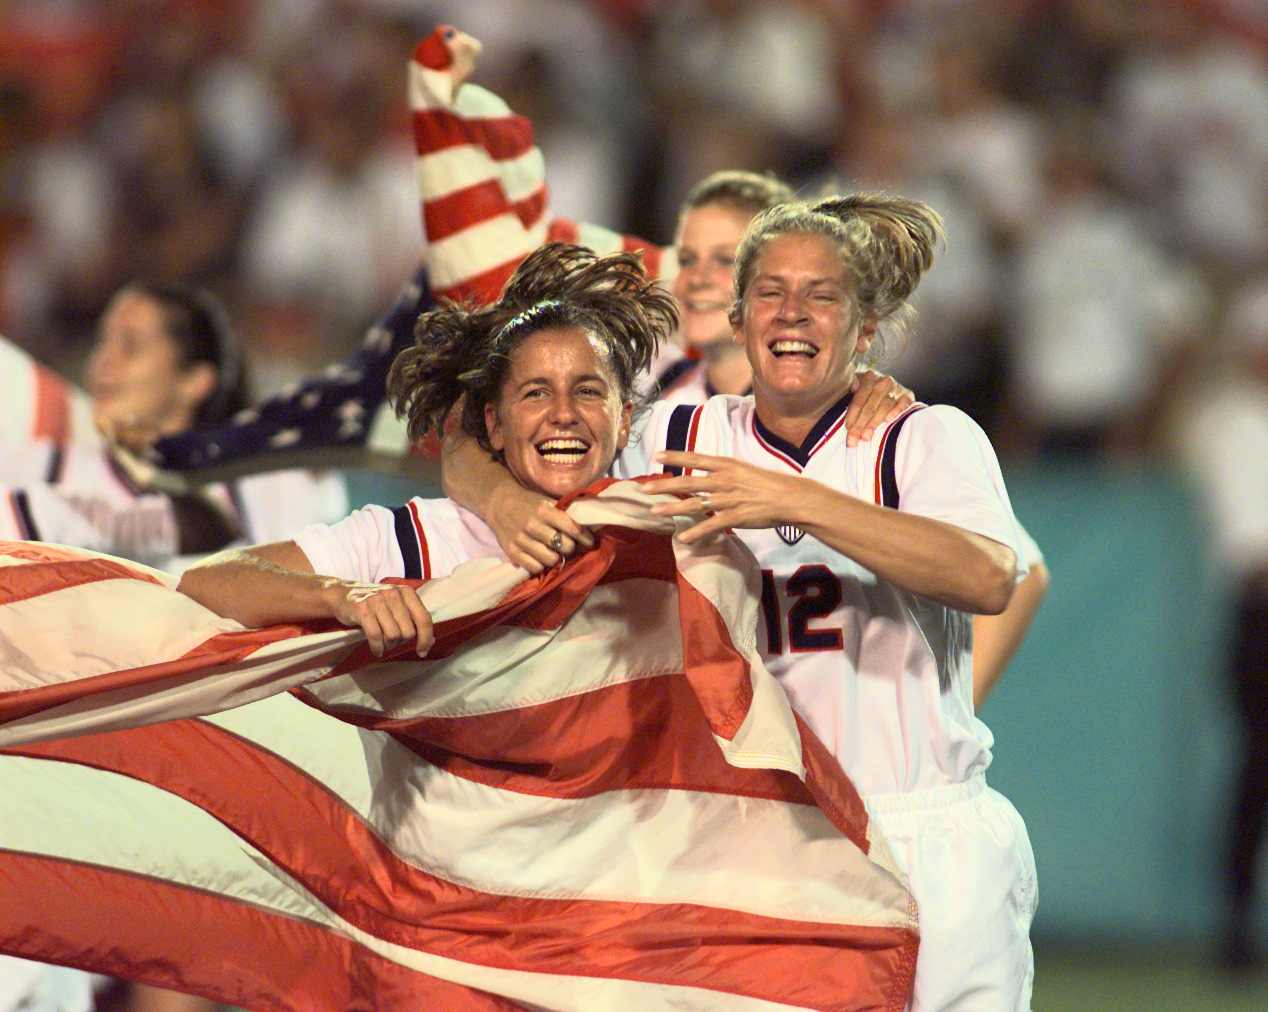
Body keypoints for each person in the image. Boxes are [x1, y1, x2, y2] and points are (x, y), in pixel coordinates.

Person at [444, 195, 1037, 1010]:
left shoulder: (920, 437)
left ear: (864, 330)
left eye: (822, 294)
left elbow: (988, 577)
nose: (792, 312)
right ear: (738, 315)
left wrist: (793, 499)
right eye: (770, 291)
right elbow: (471, 441)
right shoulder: (678, 437)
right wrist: (503, 502)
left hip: (920, 835)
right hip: (761, 845)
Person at [176, 241, 674, 657]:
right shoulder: (410, 538)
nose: (563, 413)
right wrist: (342, 596)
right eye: (535, 392)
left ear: (625, 420)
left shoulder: (661, 532)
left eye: (587, 391)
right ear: (493, 426)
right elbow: (209, 582)